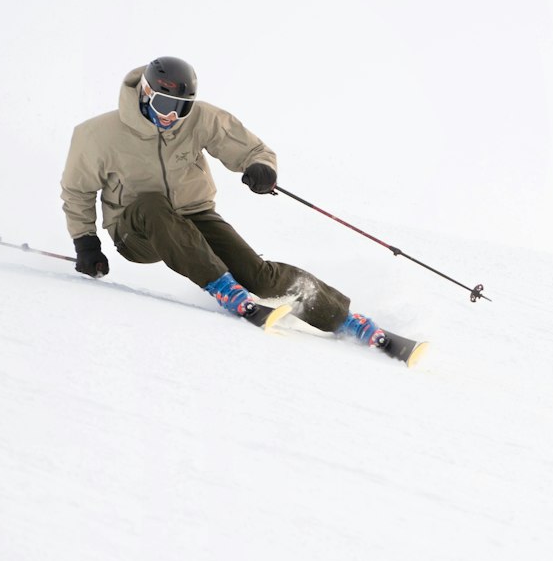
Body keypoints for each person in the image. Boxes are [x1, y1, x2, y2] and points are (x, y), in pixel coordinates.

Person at [60, 56, 400, 352]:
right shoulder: (97, 135)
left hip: (195, 216)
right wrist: (86, 242)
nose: (171, 117)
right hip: (136, 231)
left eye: (181, 108)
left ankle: (344, 319)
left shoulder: (199, 120)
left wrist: (260, 167)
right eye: (164, 105)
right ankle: (224, 288)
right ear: (146, 94)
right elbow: (77, 191)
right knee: (151, 204)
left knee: (261, 277)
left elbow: (248, 148)